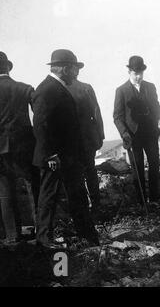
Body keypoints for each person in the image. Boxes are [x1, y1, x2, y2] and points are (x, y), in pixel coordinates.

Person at [31, 49, 99, 249]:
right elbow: (41, 125)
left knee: (78, 196)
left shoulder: (57, 88)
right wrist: (50, 154)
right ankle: (43, 240)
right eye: (74, 69)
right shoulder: (47, 89)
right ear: (64, 68)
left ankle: (88, 237)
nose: (77, 74)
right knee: (48, 198)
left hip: (69, 157)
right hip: (55, 158)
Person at [0, 51, 39, 244]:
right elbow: (40, 117)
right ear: (8, 67)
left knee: (5, 191)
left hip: (0, 149)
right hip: (25, 146)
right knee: (33, 187)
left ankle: (12, 236)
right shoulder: (25, 88)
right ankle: (40, 231)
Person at [113, 56, 160, 204]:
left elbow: (157, 106)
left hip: (150, 134)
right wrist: (125, 133)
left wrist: (155, 119)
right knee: (137, 167)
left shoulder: (150, 87)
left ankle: (155, 200)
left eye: (141, 73)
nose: (139, 76)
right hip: (133, 136)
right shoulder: (121, 90)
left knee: (154, 165)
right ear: (129, 71)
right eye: (135, 73)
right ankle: (142, 202)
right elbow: (117, 116)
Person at [66, 72, 104, 214]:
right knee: (90, 171)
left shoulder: (59, 89)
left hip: (70, 141)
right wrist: (100, 135)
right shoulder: (86, 88)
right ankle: (96, 205)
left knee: (76, 175)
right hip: (87, 139)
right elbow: (96, 113)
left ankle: (81, 208)